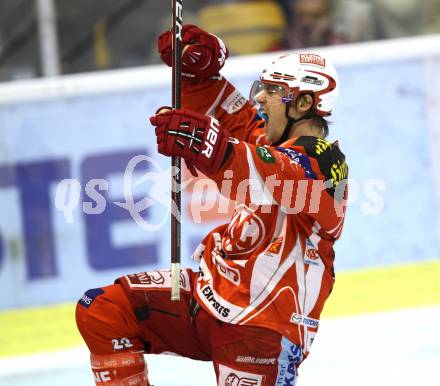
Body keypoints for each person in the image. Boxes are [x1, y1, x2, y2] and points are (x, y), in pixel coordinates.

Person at [76, 24, 348, 386]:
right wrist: (200, 76)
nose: (261, 99)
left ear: (303, 104)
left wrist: (212, 146)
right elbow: (236, 121)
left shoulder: (324, 162)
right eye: (261, 88)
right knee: (106, 310)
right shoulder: (269, 141)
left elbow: (265, 171)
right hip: (209, 299)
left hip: (262, 329)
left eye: (274, 91)